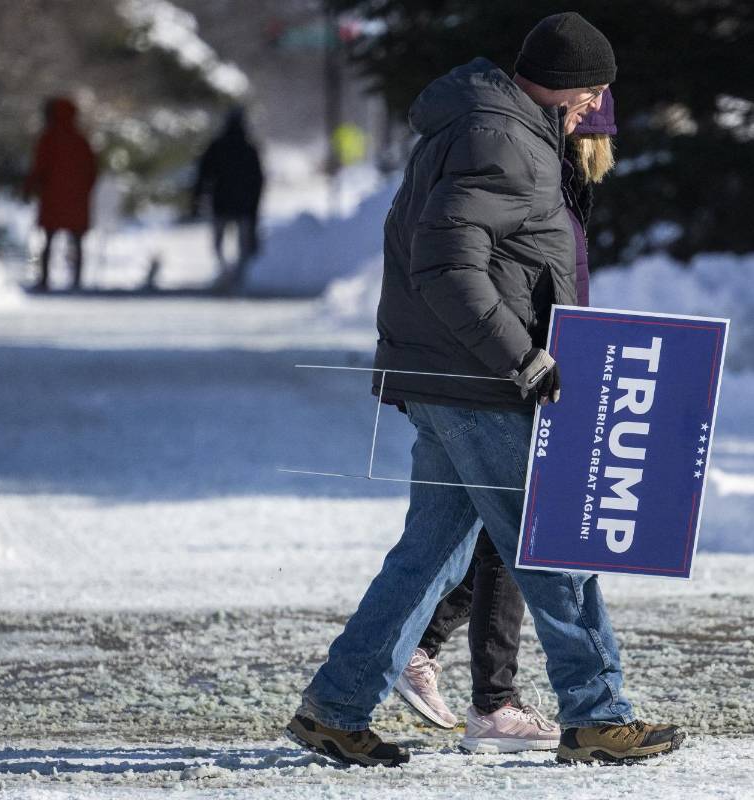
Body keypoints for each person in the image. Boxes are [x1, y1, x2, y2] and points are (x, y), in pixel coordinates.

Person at [286, 14, 683, 767]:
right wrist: (521, 358)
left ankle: (335, 709)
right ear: (571, 90)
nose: (594, 108)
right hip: (479, 382)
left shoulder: (490, 126)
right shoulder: (501, 139)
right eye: (593, 93)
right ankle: (598, 713)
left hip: (453, 377)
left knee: (426, 557)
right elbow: (444, 264)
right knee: (552, 548)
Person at [393, 89, 619, 756]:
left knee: (488, 537)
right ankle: (491, 696)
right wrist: (528, 358)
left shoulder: (545, 170)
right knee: (520, 541)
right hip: (509, 374)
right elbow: (484, 272)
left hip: (521, 368)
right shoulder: (539, 169)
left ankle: (429, 661)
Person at [24, 97, 98, 292]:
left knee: (48, 240)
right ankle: (77, 280)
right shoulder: (81, 140)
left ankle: (45, 280)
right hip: (76, 201)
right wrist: (85, 191)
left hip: (52, 200)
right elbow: (92, 170)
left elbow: (38, 168)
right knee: (77, 242)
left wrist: (29, 189)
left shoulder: (48, 139)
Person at [191, 106, 265, 291]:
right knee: (242, 244)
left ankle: (226, 273)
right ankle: (237, 276)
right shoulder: (249, 148)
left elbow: (204, 175)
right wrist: (255, 206)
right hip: (243, 204)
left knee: (219, 243)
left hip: (222, 202)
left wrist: (197, 198)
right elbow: (258, 180)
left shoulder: (218, 146)